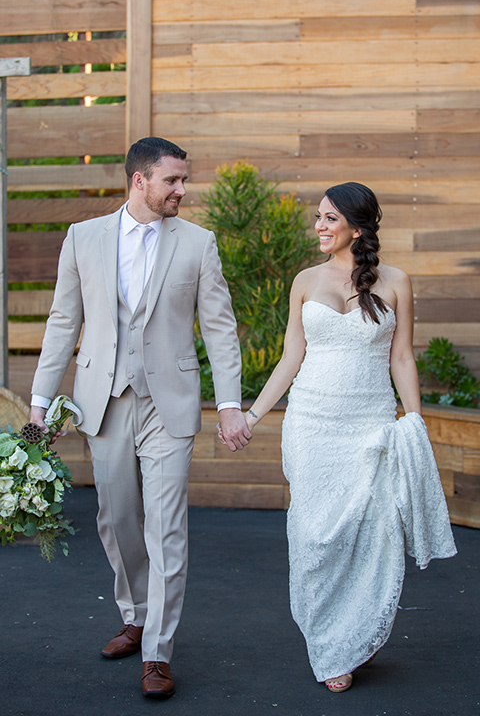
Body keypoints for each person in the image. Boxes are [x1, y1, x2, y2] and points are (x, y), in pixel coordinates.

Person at [29, 136, 252, 699]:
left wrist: (229, 404)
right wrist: (39, 401)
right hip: (102, 401)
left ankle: (157, 651)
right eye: (173, 180)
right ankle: (134, 613)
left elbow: (220, 328)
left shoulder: (199, 244)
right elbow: (63, 322)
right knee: (117, 518)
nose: (183, 189)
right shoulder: (84, 238)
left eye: (184, 179)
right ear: (140, 181)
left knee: (166, 526)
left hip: (169, 403)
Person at [229, 182, 456, 692]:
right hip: (311, 425)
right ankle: (330, 637)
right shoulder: (304, 280)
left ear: (358, 224)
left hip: (369, 425)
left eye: (330, 218)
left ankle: (350, 642)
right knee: (315, 536)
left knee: (372, 536)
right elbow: (291, 358)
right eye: (318, 217)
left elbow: (402, 357)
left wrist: (413, 422)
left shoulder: (396, 281)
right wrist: (253, 416)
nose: (320, 227)